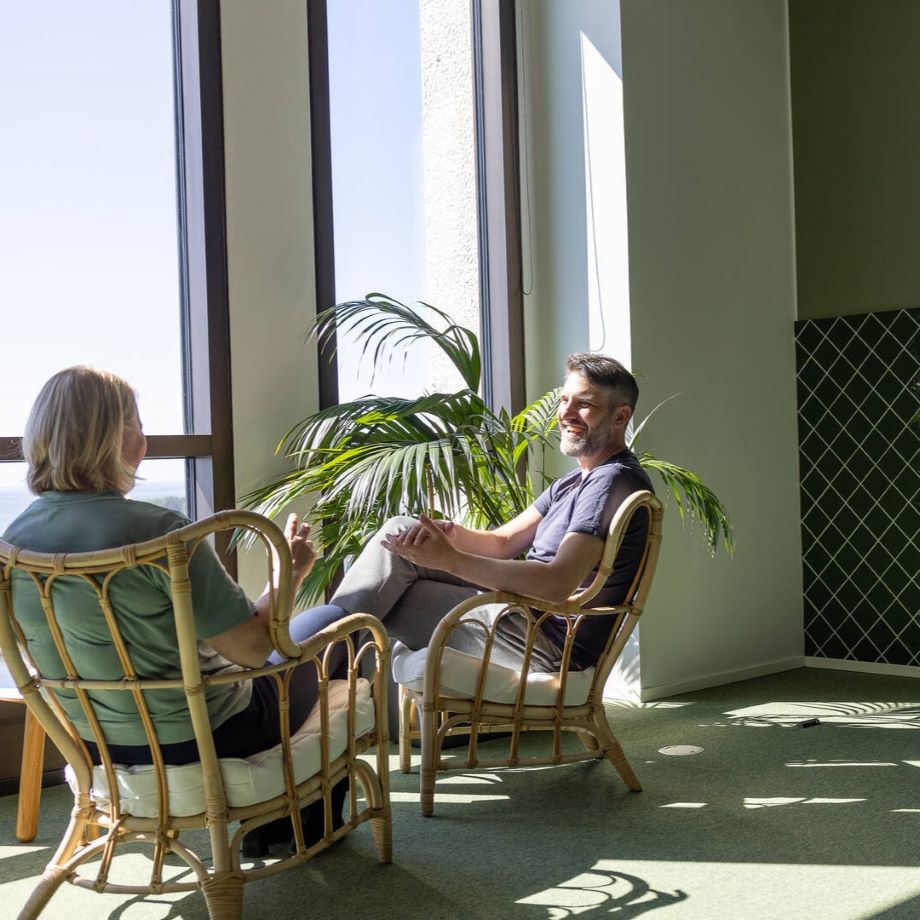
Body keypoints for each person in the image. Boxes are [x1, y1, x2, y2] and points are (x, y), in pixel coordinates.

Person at [2, 366, 350, 855]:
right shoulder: (163, 534)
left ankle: (286, 820)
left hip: (96, 744)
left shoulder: (12, 546)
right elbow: (253, 651)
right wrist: (287, 574)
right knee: (337, 625)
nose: (144, 437)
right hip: (209, 736)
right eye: (137, 423)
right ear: (116, 438)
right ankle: (296, 823)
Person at [329, 352, 654, 673]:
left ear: (620, 417)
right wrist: (449, 535)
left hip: (547, 642)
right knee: (400, 530)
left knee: (384, 599)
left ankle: (317, 671)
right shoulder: (575, 480)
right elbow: (502, 542)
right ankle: (322, 672)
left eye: (584, 404)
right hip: (523, 616)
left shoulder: (611, 480)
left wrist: (449, 559)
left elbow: (557, 584)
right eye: (564, 400)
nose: (565, 413)